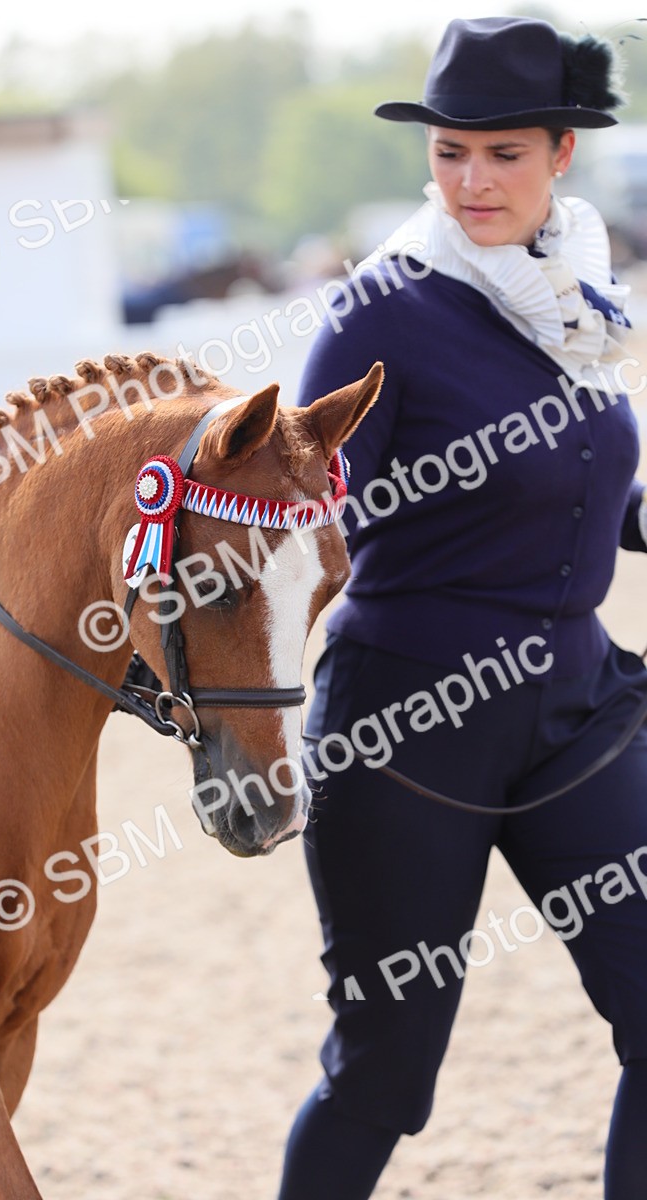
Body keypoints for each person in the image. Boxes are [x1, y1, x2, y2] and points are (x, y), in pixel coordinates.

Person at [277, 17, 647, 1200]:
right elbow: (300, 509)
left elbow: (565, 476)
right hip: (408, 721)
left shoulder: (575, 295)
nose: (471, 182)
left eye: (501, 154)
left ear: (560, 157)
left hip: (578, 707)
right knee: (386, 1074)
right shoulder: (378, 312)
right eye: (449, 155)